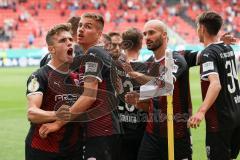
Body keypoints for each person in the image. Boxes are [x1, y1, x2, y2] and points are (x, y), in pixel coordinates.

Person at [38, 13, 122, 160]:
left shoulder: (94, 53)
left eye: (88, 27)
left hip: (102, 129)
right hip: (100, 130)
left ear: (99, 34)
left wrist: (58, 123)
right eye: (81, 25)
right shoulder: (91, 55)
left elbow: (89, 96)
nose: (81, 29)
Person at [25, 23, 83, 160]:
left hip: (73, 150)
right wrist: (57, 114)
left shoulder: (76, 78)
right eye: (63, 41)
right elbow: (32, 113)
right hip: (43, 149)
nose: (69, 43)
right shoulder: (39, 76)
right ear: (52, 49)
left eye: (70, 40)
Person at [188, 11, 240, 160]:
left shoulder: (208, 53)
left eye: (198, 27)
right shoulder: (227, 48)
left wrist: (201, 111)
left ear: (202, 29)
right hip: (236, 114)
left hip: (220, 120)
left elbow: (215, 84)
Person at [115, 27, 148, 160]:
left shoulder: (114, 67)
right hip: (140, 127)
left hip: (118, 127)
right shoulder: (146, 68)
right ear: (141, 43)